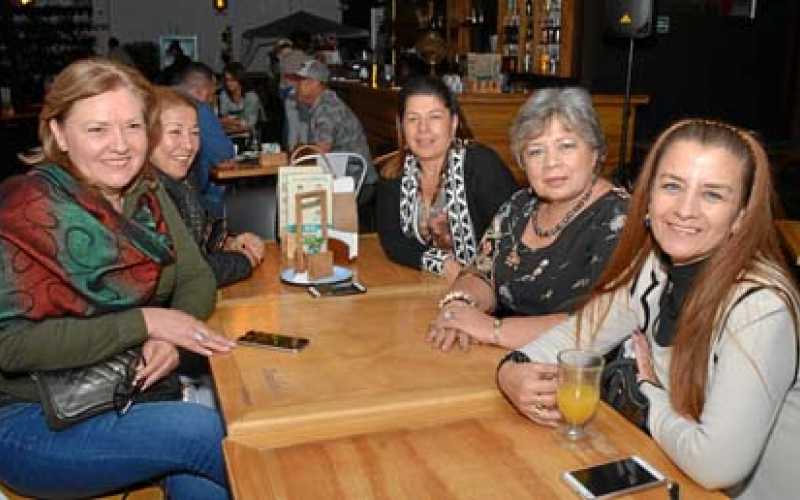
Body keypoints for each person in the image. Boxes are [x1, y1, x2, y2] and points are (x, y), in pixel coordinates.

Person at [498, 119, 800, 499]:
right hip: (675, 476)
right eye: (672, 186)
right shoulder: (656, 267)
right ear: (648, 196)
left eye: (712, 195)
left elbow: (715, 465)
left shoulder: (759, 309)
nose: (684, 210)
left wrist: (647, 391)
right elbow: (577, 336)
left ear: (741, 216)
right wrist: (511, 372)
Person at [0, 58, 233, 499]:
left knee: (205, 483)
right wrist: (144, 323)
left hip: (132, 396)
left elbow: (197, 279)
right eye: (97, 130)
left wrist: (169, 335)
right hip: (33, 421)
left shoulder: (146, 193)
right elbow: (9, 345)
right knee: (213, 433)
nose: (121, 145)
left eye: (132, 126)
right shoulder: (25, 210)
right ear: (58, 134)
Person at [427, 87, 628, 351]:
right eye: (535, 152)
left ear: (595, 152)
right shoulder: (519, 206)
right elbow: (481, 272)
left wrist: (492, 329)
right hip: (499, 359)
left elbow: (596, 325)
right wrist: (459, 306)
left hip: (575, 377)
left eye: (566, 146)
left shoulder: (620, 218)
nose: (551, 163)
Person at [376, 76, 518, 283]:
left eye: (434, 117)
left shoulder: (481, 165)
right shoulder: (393, 174)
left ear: (453, 123)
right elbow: (393, 242)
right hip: (425, 284)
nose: (423, 129)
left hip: (491, 290)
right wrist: (443, 264)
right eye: (413, 119)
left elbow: (513, 232)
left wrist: (475, 277)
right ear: (402, 126)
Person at [149, 86, 265, 287]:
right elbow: (183, 273)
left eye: (195, 133)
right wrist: (245, 259)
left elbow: (200, 232)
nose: (188, 144)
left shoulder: (184, 180)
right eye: (175, 132)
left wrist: (229, 242)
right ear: (146, 136)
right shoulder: (142, 195)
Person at [294, 58, 379, 202]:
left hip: (354, 182)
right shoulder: (324, 103)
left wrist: (297, 153)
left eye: (301, 81)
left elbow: (322, 149)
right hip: (346, 177)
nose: (297, 86)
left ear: (314, 83)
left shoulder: (327, 108)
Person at [173, 62, 235, 218]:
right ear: (202, 91)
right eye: (212, 93)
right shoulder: (198, 109)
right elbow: (223, 153)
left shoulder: (164, 103)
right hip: (194, 198)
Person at [218, 62, 265, 137]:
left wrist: (230, 122)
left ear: (240, 79)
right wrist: (238, 122)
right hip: (228, 134)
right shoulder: (224, 95)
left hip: (248, 135)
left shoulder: (251, 96)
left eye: (232, 80)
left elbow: (250, 124)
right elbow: (223, 119)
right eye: (227, 80)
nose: (229, 83)